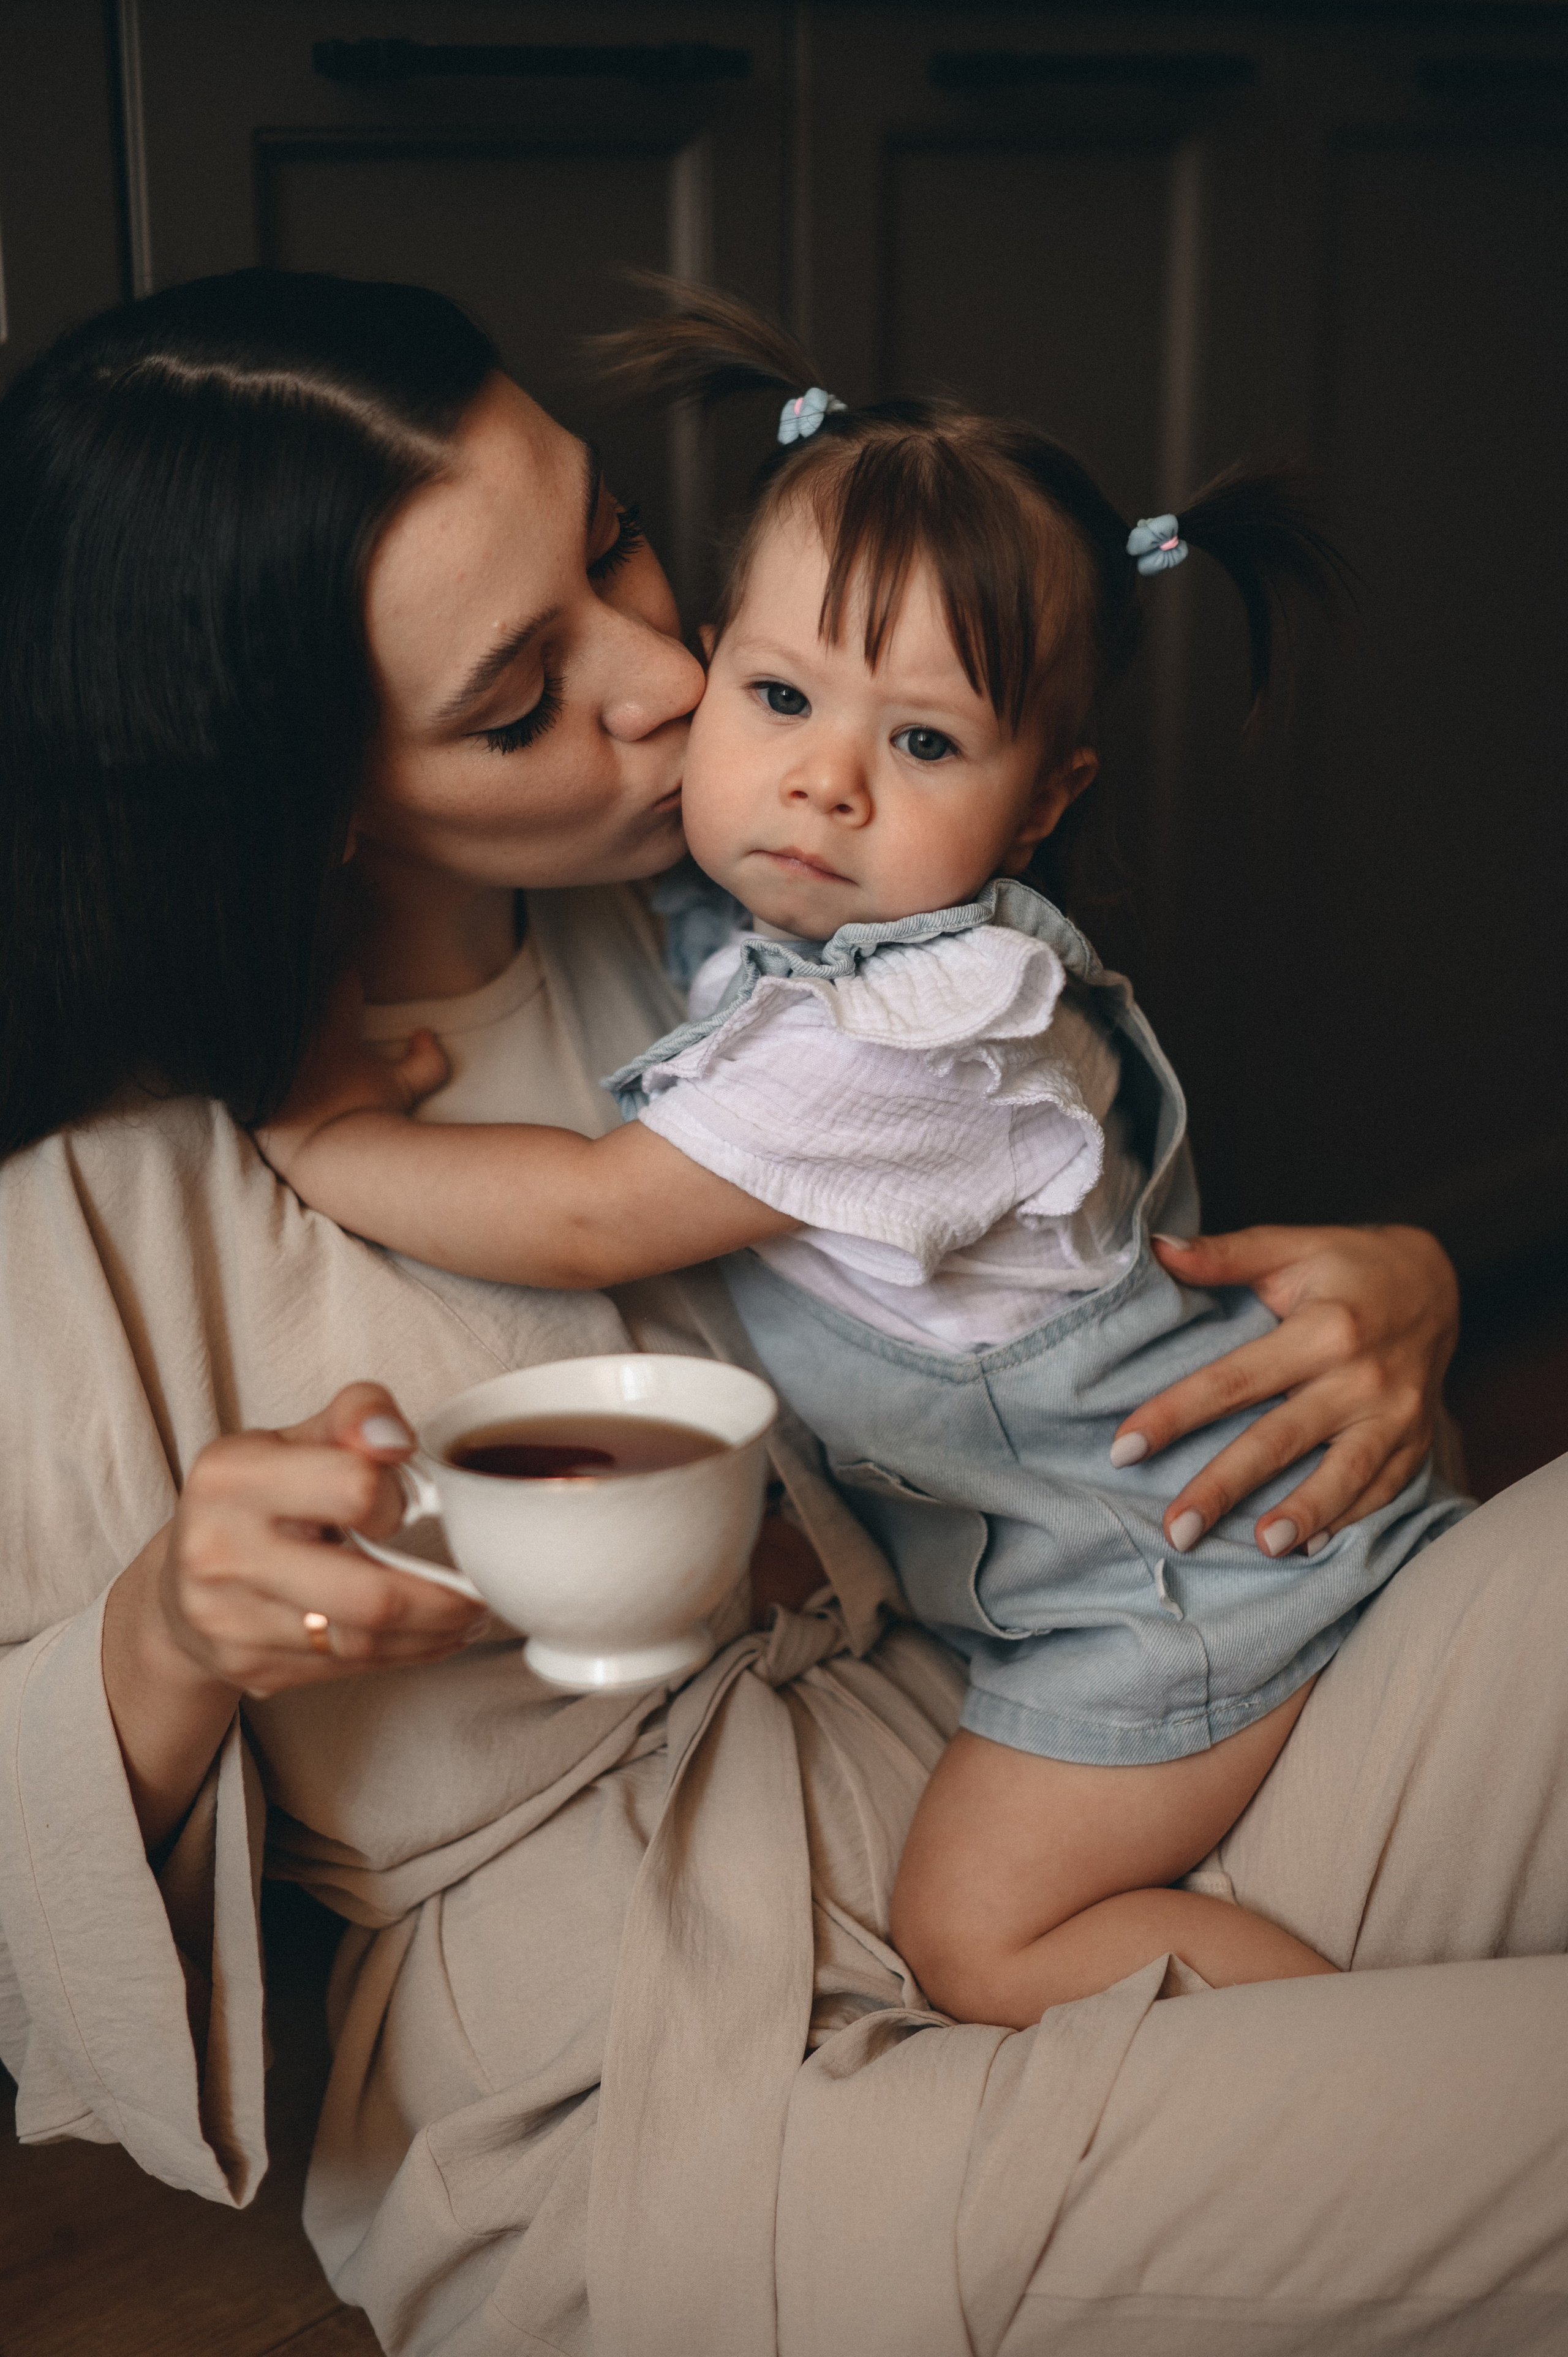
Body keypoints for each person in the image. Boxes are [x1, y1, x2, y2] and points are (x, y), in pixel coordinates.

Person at [1, 269, 1563, 2357]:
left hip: (1029, 1735)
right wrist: (163, 1635)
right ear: (310, 793)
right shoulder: (97, 1198)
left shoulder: (760, 914)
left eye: (619, 538)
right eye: (519, 696)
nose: (675, 672)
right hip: (656, 2059)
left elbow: (1058, 1319)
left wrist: (1401, 1288)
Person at [258, 288, 1468, 2026]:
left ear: (1042, 804)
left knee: (978, 1938)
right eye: (774, 693)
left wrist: (333, 1136)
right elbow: (696, 892)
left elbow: (599, 1212)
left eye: (922, 743)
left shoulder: (929, 1033)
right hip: (1080, 1577)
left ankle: (1386, 2072)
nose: (819, 784)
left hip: (1167, 1585)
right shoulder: (784, 923)